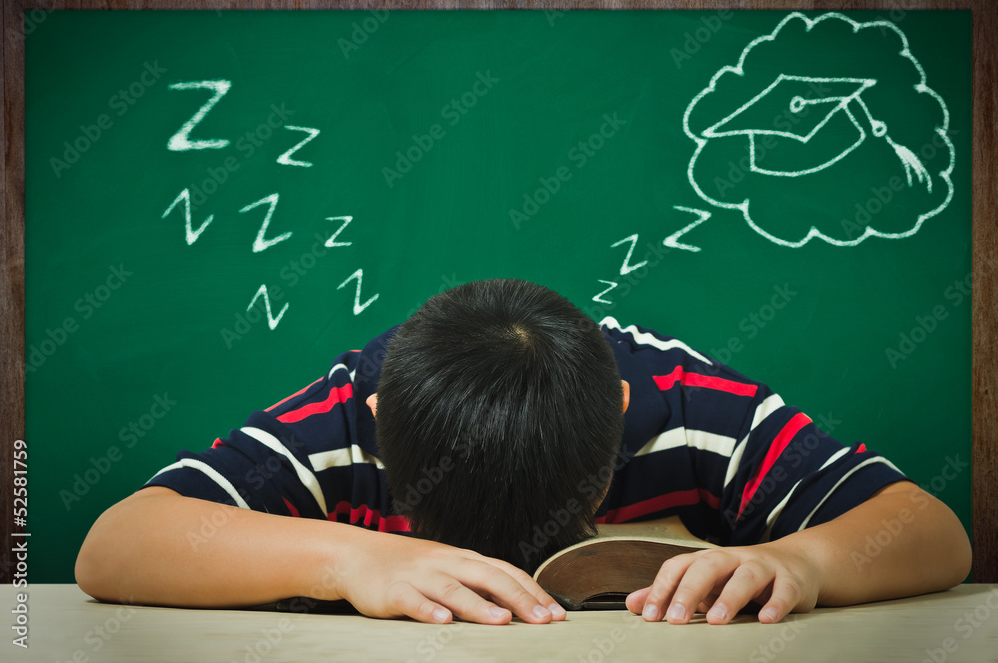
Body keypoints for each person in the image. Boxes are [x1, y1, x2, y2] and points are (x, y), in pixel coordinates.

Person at [75, 279, 971, 626]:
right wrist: (351, 555)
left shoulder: (690, 404)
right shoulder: (344, 414)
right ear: (386, 422)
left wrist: (803, 560)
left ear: (621, 414)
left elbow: (932, 531)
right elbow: (116, 543)